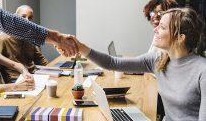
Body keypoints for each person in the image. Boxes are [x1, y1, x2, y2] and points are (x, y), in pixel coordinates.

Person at [72, 7, 206, 120]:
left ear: (180, 38)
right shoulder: (158, 60)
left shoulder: (202, 70)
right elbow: (112, 62)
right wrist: (80, 47)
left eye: (163, 27)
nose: (155, 30)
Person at [0, 5, 48, 83]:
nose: (27, 21)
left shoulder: (30, 36)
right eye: (23, 17)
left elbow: (39, 59)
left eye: (30, 18)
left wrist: (52, 72)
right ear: (15, 18)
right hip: (15, 80)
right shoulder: (2, 39)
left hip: (33, 76)